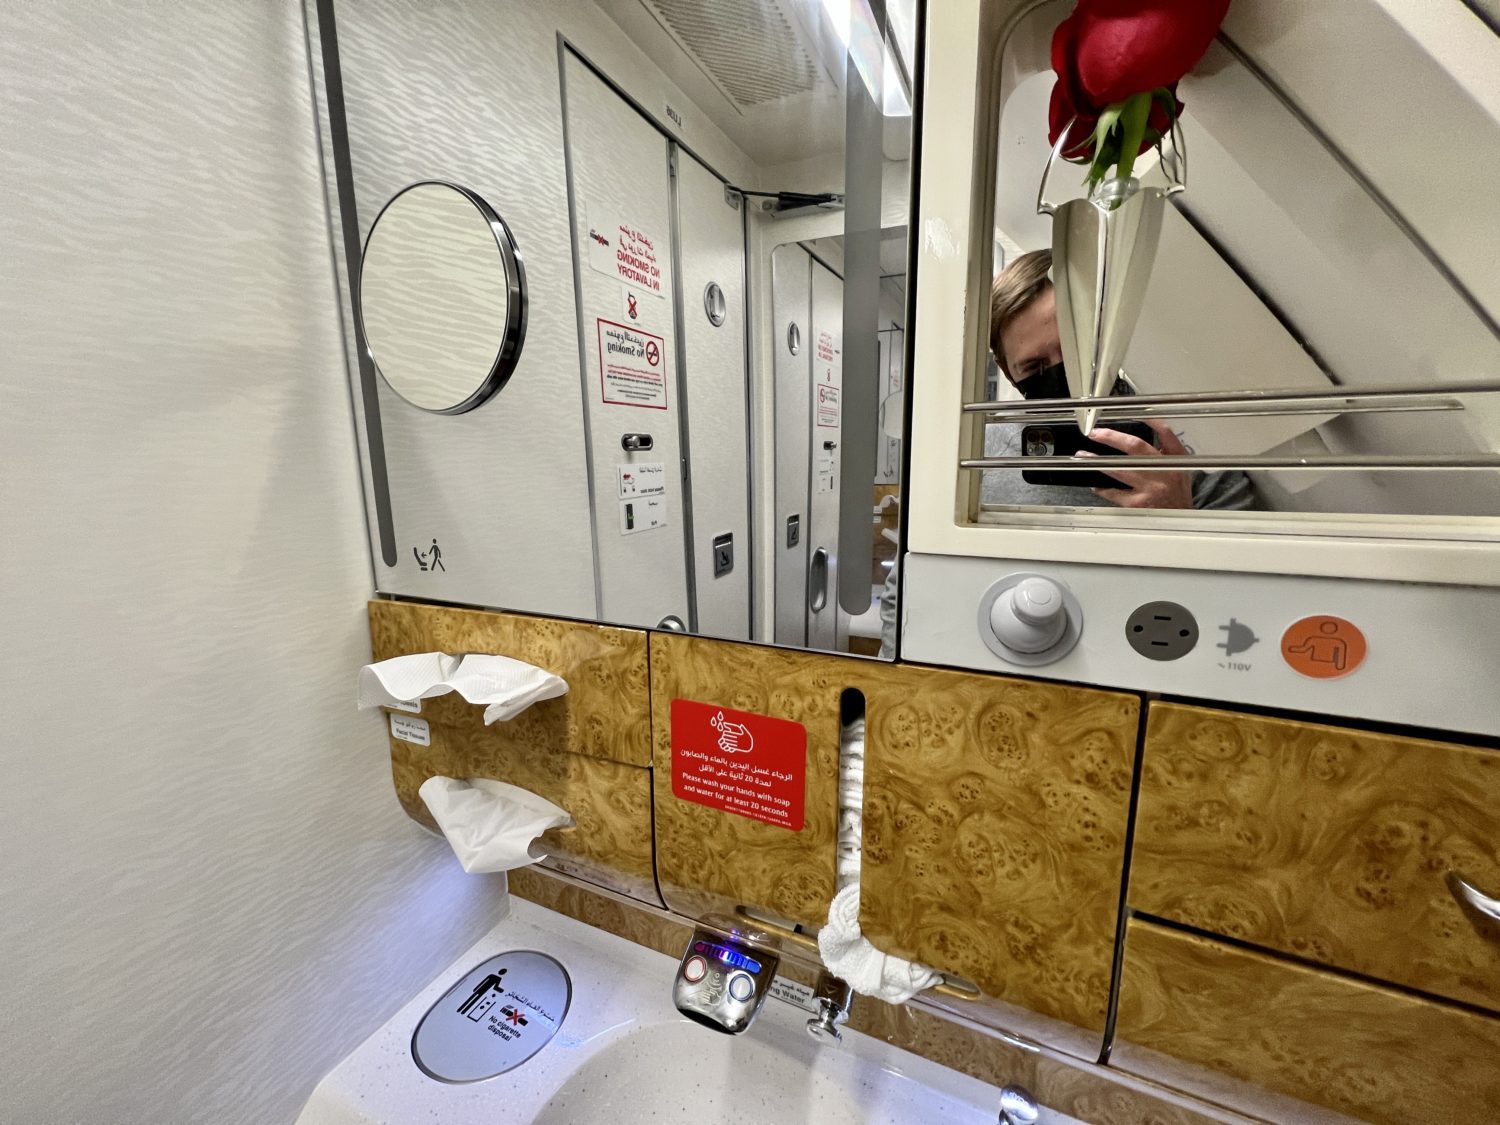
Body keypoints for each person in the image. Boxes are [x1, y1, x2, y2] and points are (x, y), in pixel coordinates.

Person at [983, 249, 1259, 511]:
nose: (1066, 375)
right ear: (1008, 371)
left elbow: (1242, 559)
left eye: (1078, 347)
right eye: (1035, 366)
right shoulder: (979, 450)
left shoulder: (1187, 445)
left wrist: (1177, 513)